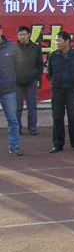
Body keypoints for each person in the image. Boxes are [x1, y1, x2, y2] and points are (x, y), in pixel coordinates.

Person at [47, 31, 74, 153]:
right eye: (56, 40)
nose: (57, 43)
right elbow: (50, 73)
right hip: (57, 90)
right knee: (57, 117)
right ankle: (58, 144)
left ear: (67, 41)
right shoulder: (53, 56)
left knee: (73, 117)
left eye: (59, 40)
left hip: (72, 90)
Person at [15, 26, 43, 135]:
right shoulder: (13, 48)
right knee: (17, 107)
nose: (22, 37)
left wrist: (36, 78)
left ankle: (32, 127)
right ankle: (17, 128)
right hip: (16, 83)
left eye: (24, 34)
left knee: (32, 106)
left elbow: (40, 65)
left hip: (31, 82)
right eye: (20, 35)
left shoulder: (36, 48)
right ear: (17, 36)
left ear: (29, 35)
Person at [0, 24, 22, 156]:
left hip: (8, 90)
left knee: (13, 120)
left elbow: (20, 66)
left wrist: (13, 80)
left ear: (1, 31)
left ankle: (14, 146)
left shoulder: (12, 47)